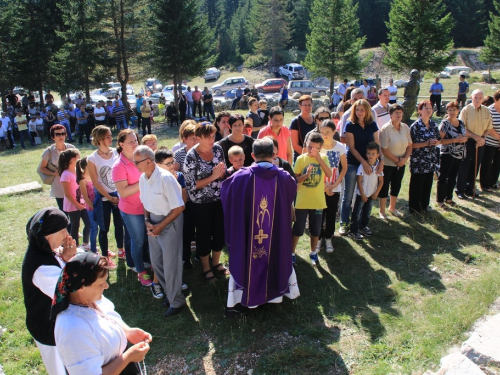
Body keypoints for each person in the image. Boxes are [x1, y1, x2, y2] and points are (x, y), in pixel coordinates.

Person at [221, 137, 299, 315]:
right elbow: (291, 193)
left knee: (247, 256)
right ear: (274, 153)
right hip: (275, 232)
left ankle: (246, 298)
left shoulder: (239, 178)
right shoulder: (284, 178)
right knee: (275, 254)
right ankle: (274, 296)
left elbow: (226, 196)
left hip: (249, 233)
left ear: (252, 155)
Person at [51, 253, 151, 373]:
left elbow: (108, 316)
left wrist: (127, 331)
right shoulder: (73, 329)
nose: (106, 286)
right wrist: (128, 357)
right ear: (80, 287)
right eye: (100, 284)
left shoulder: (92, 298)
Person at [132, 146, 187, 317]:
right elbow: (145, 203)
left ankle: (176, 301)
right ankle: (170, 294)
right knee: (157, 263)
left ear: (148, 161)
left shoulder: (166, 179)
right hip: (154, 223)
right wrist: (147, 221)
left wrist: (160, 226)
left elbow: (179, 207)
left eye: (137, 162)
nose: (135, 165)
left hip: (170, 222)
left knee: (171, 264)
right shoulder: (142, 178)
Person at [22, 207, 77, 375]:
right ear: (48, 234)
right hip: (48, 330)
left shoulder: (45, 250)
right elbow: (68, 291)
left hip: (54, 325)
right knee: (61, 370)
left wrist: (65, 258)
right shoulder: (41, 266)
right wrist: (71, 264)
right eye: (62, 230)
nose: (67, 235)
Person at [183, 123, 228, 282]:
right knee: (203, 234)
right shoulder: (191, 156)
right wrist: (214, 176)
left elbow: (222, 172)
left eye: (213, 136)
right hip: (200, 203)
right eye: (208, 137)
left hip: (219, 199)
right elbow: (190, 185)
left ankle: (215, 263)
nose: (212, 139)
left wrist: (222, 174)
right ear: (198, 138)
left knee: (219, 232)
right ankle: (205, 267)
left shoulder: (218, 149)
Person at [112, 129, 151, 286]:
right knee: (138, 240)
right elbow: (124, 192)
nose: (135, 143)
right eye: (131, 141)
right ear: (121, 144)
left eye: (136, 140)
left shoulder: (140, 158)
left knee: (148, 238)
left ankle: (147, 262)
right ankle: (140, 270)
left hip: (148, 206)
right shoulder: (118, 166)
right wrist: (143, 180)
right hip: (131, 210)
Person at [340, 99, 382, 236]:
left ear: (367, 111)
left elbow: (377, 143)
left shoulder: (372, 125)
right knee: (349, 195)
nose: (360, 112)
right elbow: (351, 147)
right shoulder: (350, 125)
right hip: (353, 162)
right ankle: (344, 224)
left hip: (371, 162)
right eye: (357, 110)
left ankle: (362, 224)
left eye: (362, 109)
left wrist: (380, 160)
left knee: (367, 193)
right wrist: (363, 163)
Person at [292, 132, 332, 266]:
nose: (311, 150)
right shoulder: (300, 159)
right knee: (298, 228)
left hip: (318, 201)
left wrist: (319, 159)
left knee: (316, 230)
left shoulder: (324, 158)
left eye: (314, 148)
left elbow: (329, 173)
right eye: (309, 146)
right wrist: (306, 175)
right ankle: (292, 253)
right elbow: (295, 179)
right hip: (302, 202)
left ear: (320, 148)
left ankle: (313, 252)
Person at [87, 126, 122, 268]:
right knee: (104, 228)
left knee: (120, 225)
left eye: (110, 135)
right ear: (100, 139)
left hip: (119, 195)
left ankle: (121, 251)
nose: (111, 138)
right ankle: (105, 258)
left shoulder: (116, 153)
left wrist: (118, 195)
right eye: (108, 136)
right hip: (103, 198)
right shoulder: (92, 158)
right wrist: (109, 196)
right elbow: (96, 182)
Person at [456, 90, 493, 199]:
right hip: (468, 141)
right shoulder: (466, 110)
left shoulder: (486, 111)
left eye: (480, 97)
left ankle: (470, 188)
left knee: (475, 166)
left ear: (482, 99)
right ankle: (460, 190)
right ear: (472, 97)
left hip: (480, 141)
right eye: (475, 97)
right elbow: (462, 128)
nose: (477, 99)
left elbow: (488, 127)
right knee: (464, 165)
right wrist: (476, 137)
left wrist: (482, 138)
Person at [378, 103, 412, 219]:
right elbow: (384, 148)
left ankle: (392, 207)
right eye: (396, 113)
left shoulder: (405, 127)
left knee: (396, 185)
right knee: (384, 186)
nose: (399, 115)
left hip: (401, 163)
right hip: (388, 163)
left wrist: (404, 159)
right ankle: (382, 211)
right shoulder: (386, 129)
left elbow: (409, 145)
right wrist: (397, 160)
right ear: (390, 114)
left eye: (400, 113)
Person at [318, 120, 346, 252]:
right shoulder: (318, 147)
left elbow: (344, 168)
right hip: (319, 188)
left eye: (327, 132)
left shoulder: (340, 147)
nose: (324, 135)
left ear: (334, 132)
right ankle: (318, 239)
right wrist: (324, 187)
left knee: (331, 214)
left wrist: (335, 184)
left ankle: (328, 238)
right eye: (322, 132)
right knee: (319, 214)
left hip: (335, 187)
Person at [409, 101, 441, 213]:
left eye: (430, 108)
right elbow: (411, 145)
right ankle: (414, 208)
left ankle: (424, 206)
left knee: (427, 183)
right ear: (420, 111)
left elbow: (438, 140)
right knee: (417, 184)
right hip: (418, 160)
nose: (429, 110)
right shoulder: (415, 126)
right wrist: (426, 143)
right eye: (426, 108)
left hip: (430, 160)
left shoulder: (434, 125)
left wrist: (435, 142)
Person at [349, 142, 384, 240]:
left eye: (373, 154)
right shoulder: (362, 166)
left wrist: (376, 193)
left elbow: (381, 181)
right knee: (356, 212)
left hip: (372, 194)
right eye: (368, 153)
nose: (370, 156)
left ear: (378, 155)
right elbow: (359, 181)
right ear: (366, 154)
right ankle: (353, 230)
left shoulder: (378, 167)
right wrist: (363, 194)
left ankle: (363, 227)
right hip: (362, 194)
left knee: (367, 212)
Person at [59, 149, 92, 249]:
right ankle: (75, 247)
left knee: (89, 223)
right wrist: (78, 205)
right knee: (75, 226)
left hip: (83, 204)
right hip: (73, 205)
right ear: (73, 159)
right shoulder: (65, 174)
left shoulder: (78, 172)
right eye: (78, 157)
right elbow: (67, 194)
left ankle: (86, 244)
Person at [437, 101, 467, 208]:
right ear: (447, 111)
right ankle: (440, 200)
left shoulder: (461, 123)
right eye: (450, 110)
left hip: (459, 154)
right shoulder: (445, 124)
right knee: (443, 176)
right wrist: (455, 140)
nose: (452, 112)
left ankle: (449, 198)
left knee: (453, 176)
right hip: (447, 153)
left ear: (458, 111)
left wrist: (464, 139)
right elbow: (439, 140)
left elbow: (465, 135)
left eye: (454, 110)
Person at [40, 125, 77, 212]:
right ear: (53, 137)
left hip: (73, 184)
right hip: (59, 185)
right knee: (64, 212)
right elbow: (42, 168)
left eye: (63, 133)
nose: (61, 136)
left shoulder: (72, 148)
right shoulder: (48, 151)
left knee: (76, 212)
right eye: (58, 134)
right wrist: (53, 173)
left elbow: (77, 164)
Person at [77, 157, 99, 253]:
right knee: (94, 229)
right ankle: (93, 250)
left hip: (99, 207)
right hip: (91, 209)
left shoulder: (95, 177)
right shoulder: (83, 181)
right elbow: (86, 198)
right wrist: (95, 208)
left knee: (100, 229)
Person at [480, 90, 500, 191]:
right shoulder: (489, 110)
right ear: (496, 99)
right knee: (487, 163)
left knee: (497, 163)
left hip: (499, 144)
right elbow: (489, 127)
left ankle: (493, 182)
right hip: (489, 142)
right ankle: (485, 184)